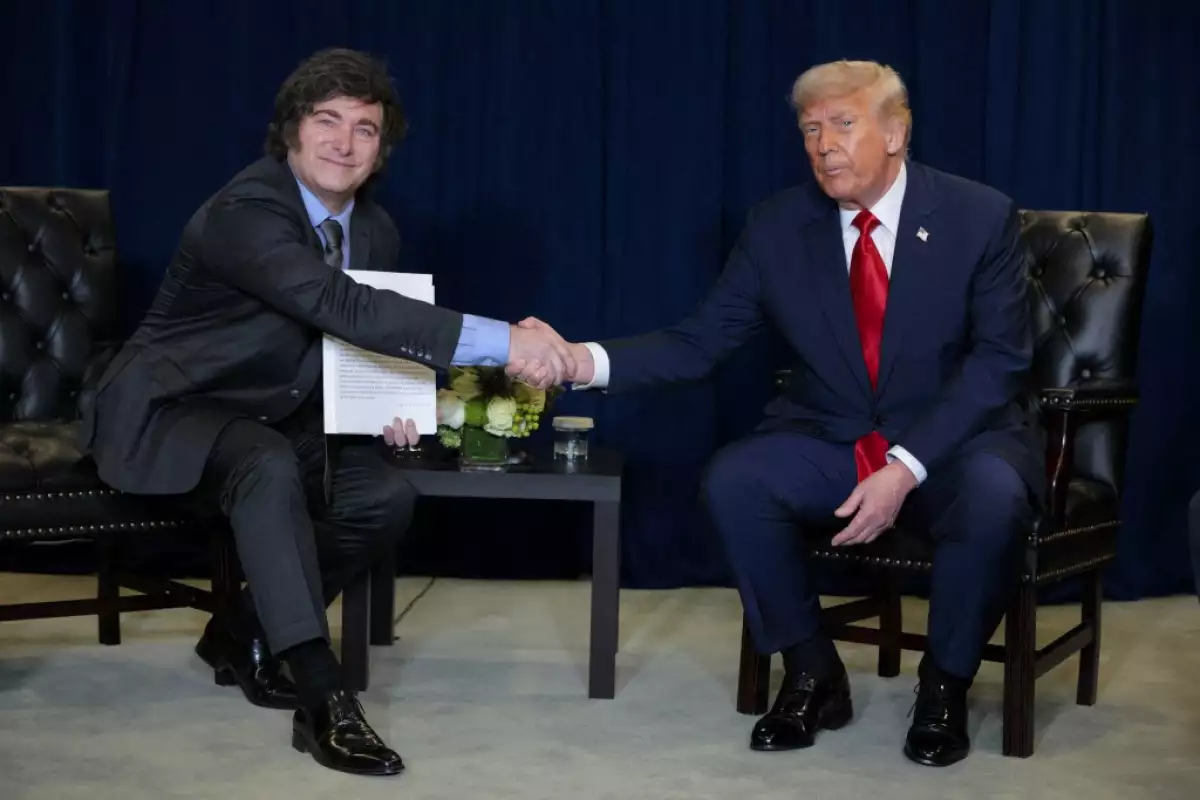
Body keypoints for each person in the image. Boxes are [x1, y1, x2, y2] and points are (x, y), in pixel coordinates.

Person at [526, 59, 1041, 767]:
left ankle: (944, 688)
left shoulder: (978, 215)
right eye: (809, 130)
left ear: (895, 133)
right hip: (831, 436)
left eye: (842, 124)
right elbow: (699, 342)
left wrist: (906, 465)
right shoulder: (777, 226)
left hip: (953, 442)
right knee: (738, 480)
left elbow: (1000, 361)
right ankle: (811, 671)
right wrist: (577, 361)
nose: (822, 144)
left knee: (994, 496)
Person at [79, 48, 572, 777]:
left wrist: (391, 403)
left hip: (275, 415)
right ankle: (321, 698)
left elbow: (357, 340)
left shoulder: (376, 231)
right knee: (264, 464)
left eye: (365, 129)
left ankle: (242, 634)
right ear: (290, 133)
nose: (344, 142)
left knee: (382, 496)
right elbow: (340, 305)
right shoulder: (245, 211)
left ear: (381, 152)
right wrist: (508, 342)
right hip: (171, 409)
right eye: (326, 120)